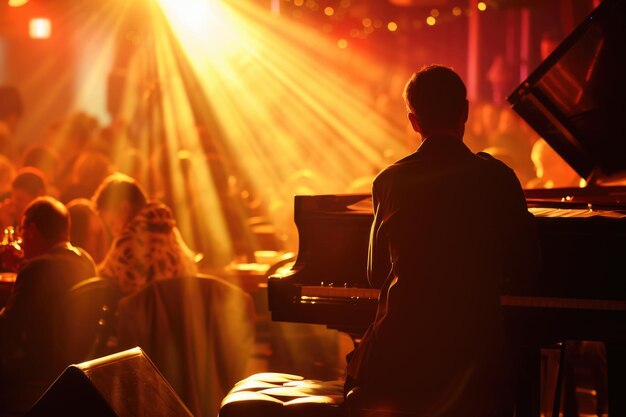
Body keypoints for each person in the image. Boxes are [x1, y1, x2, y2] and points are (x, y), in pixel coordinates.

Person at [344, 65, 540, 416]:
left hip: (398, 357)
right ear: (465, 112)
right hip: (473, 358)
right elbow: (525, 263)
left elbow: (375, 275)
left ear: (413, 121)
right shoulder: (498, 177)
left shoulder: (388, 181)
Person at [0, 197, 96, 414]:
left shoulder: (37, 269)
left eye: (22, 230)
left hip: (36, 369)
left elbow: (8, 332)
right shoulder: (85, 262)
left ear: (31, 230)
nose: (22, 240)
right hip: (75, 365)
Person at [93, 173, 198, 295]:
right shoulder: (169, 232)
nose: (113, 231)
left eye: (112, 223)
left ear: (124, 209)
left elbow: (100, 280)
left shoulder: (128, 243)